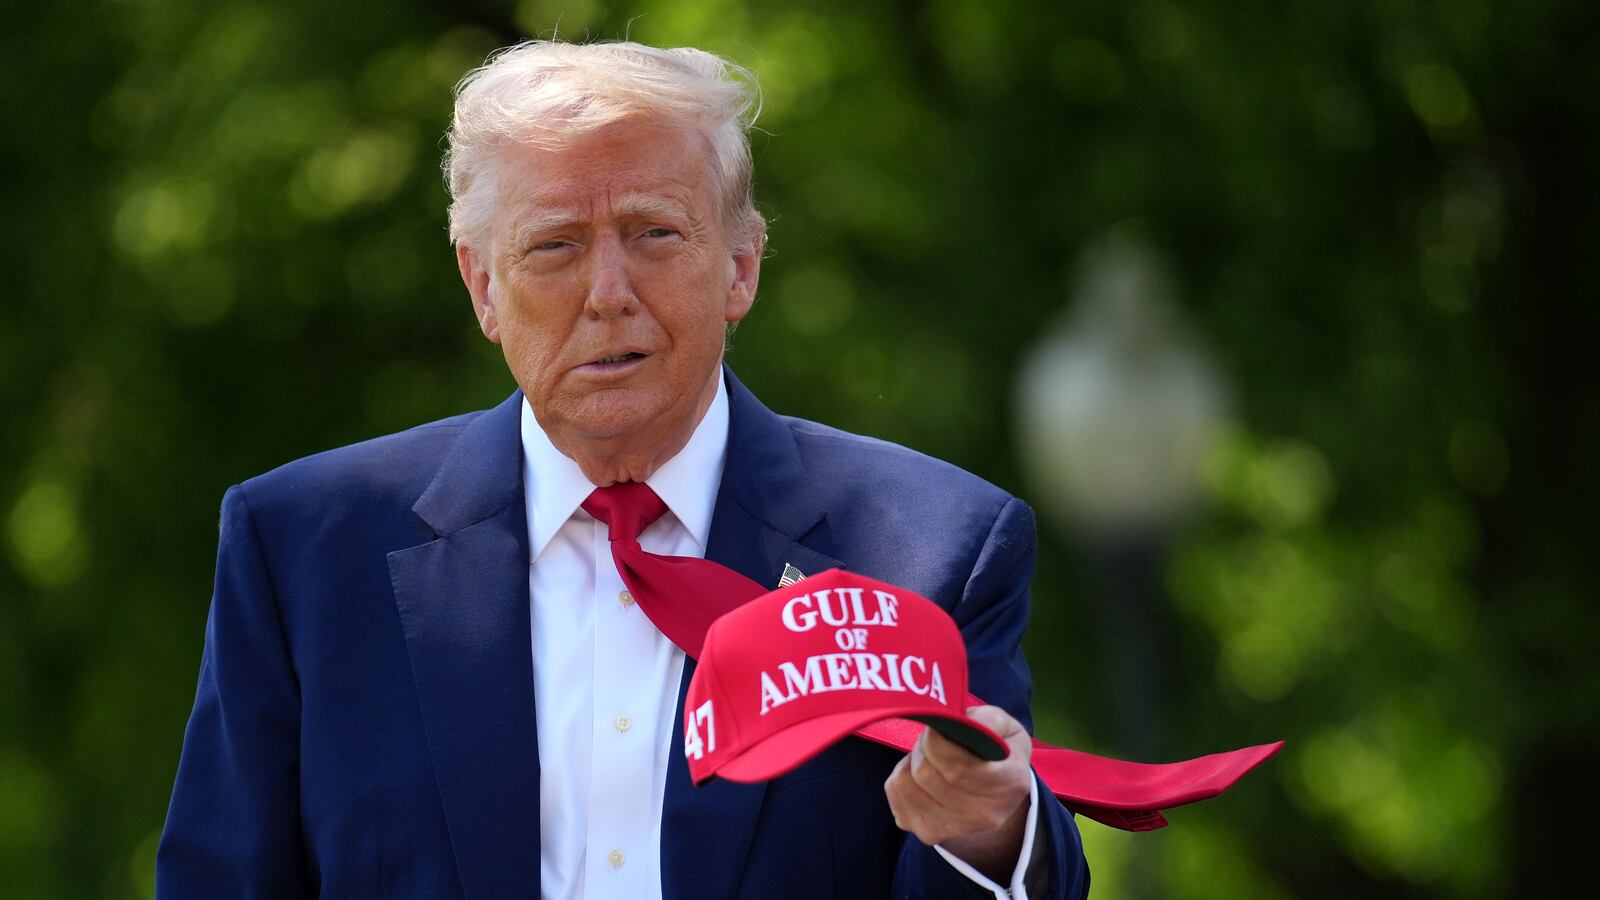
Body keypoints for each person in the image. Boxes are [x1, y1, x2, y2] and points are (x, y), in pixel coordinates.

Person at [156, 40, 1090, 899]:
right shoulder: (306, 552)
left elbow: (983, 851)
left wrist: (994, 836)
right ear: (483, 283)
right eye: (555, 244)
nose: (608, 293)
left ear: (741, 266)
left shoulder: (934, 548)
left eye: (653, 233)